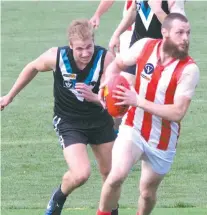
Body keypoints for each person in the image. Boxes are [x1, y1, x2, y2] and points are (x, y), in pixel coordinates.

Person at [0, 19, 119, 215]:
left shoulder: (105, 59)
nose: (85, 53)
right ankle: (58, 198)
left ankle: (110, 211)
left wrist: (96, 98)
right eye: (79, 48)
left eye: (89, 46)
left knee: (111, 175)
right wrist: (9, 97)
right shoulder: (57, 56)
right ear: (71, 46)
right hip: (69, 122)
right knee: (81, 174)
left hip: (100, 121)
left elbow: (113, 98)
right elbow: (32, 67)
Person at [96, 13, 199, 215]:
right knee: (116, 176)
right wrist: (107, 82)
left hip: (162, 140)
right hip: (133, 126)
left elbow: (178, 112)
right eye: (180, 33)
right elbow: (117, 64)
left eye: (188, 33)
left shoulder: (189, 69)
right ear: (165, 32)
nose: (185, 38)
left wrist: (138, 101)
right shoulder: (145, 46)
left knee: (147, 193)